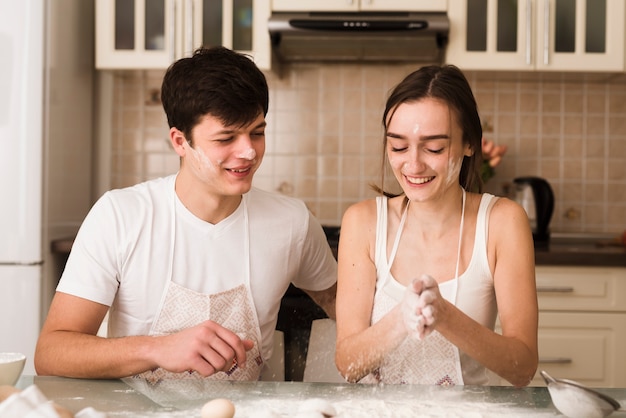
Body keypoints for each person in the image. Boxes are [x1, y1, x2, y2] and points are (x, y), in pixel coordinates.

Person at [35, 46, 337, 381]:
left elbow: (340, 302)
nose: (248, 151)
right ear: (180, 141)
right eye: (226, 138)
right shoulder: (121, 216)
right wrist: (156, 349)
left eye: (257, 132)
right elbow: (51, 353)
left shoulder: (291, 222)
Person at [334, 65, 538, 387]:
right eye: (398, 146)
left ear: (470, 144)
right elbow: (348, 366)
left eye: (434, 148)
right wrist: (401, 320)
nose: (413, 165)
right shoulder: (363, 223)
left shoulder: (501, 222)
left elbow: (522, 368)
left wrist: (444, 316)